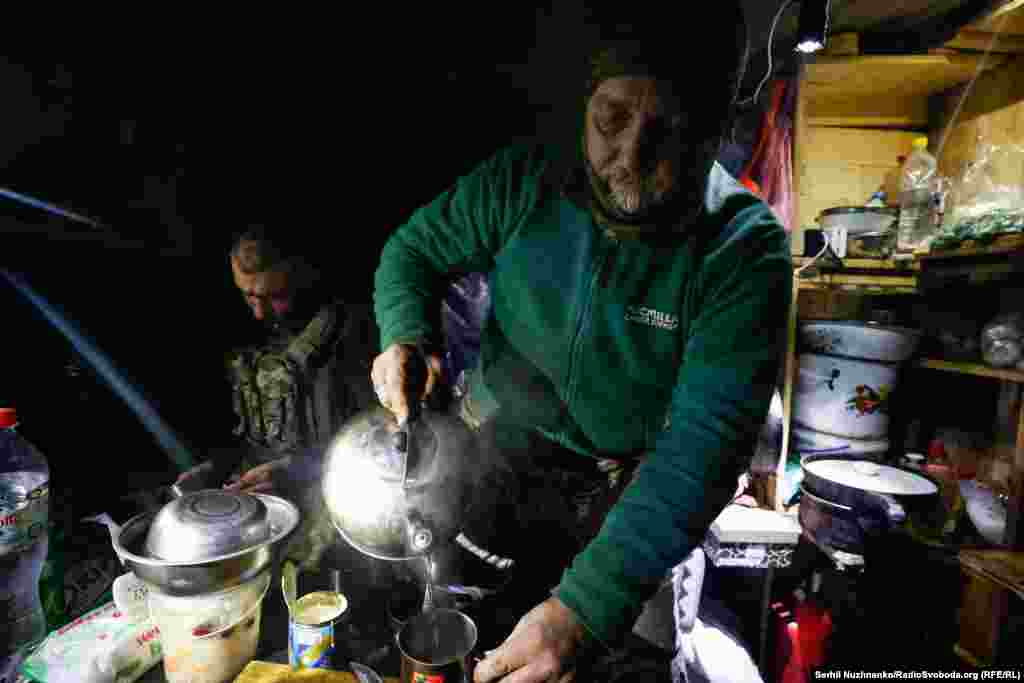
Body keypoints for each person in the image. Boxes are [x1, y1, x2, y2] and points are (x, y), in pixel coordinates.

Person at [370, 3, 792, 681]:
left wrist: (585, 610)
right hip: (502, 462)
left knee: (617, 663)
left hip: (635, 493)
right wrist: (405, 337)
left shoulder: (743, 254)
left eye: (668, 130)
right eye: (612, 117)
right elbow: (411, 252)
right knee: (468, 630)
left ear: (714, 132)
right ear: (585, 103)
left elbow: (699, 454)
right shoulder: (526, 180)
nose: (629, 156)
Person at [175, 225, 380, 571]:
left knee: (297, 578)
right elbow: (247, 431)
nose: (259, 311)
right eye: (248, 296)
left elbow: (380, 448)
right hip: (257, 496)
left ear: (304, 271)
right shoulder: (239, 332)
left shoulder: (354, 336)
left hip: (335, 499)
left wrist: (298, 472)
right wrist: (216, 467)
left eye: (275, 296)